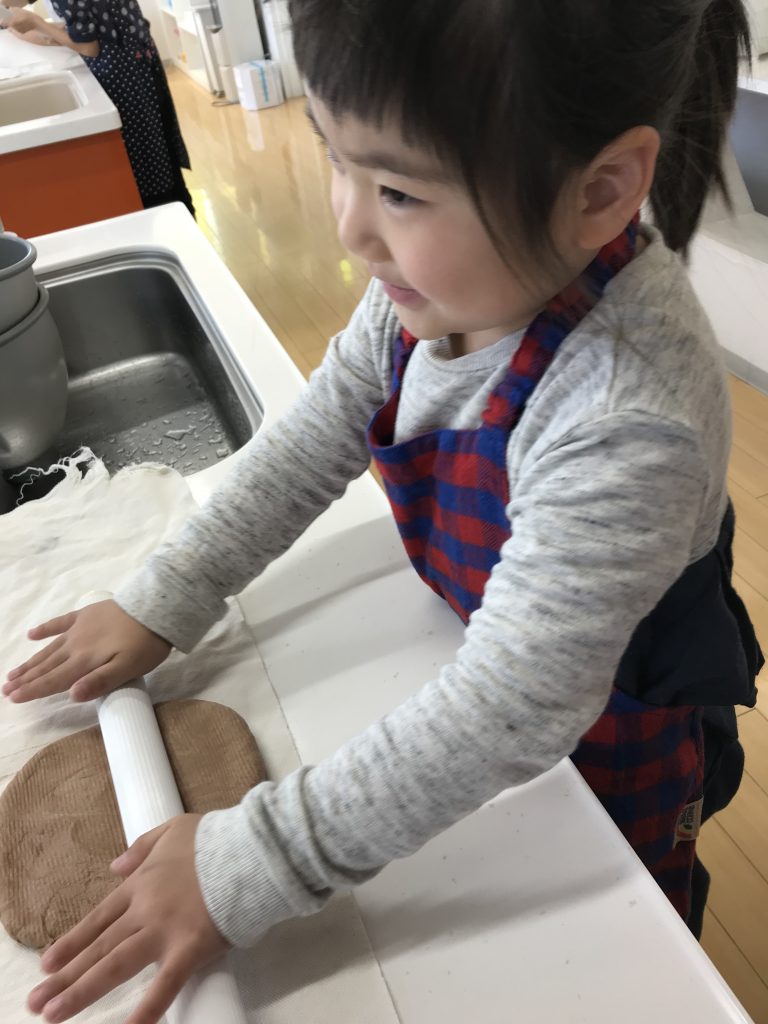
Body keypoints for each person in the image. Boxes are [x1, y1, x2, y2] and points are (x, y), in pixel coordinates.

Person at [4, 0, 765, 1021]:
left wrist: (254, 860)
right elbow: (318, 432)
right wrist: (167, 594)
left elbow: (514, 705)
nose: (351, 226)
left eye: (399, 190)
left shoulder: (629, 411)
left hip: (606, 737)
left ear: (599, 190)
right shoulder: (437, 285)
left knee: (622, 958)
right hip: (492, 661)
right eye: (337, 158)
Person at [4, 0, 195, 216]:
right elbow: (85, 28)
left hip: (121, 73)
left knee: (148, 163)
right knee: (160, 148)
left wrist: (36, 22)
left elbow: (88, 46)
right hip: (137, 57)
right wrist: (39, 28)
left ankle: (167, 216)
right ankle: (181, 216)